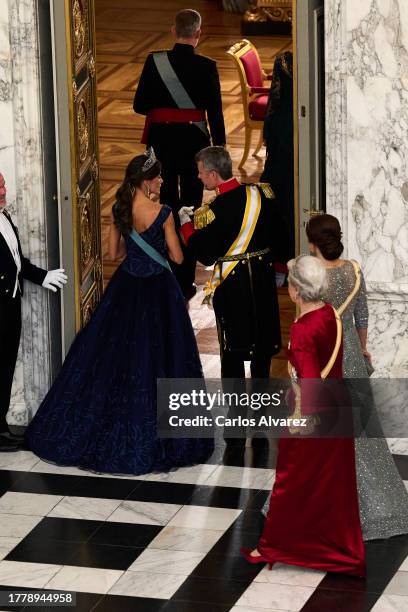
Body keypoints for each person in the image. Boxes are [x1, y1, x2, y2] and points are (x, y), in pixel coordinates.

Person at [26, 151, 213, 475]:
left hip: (126, 288)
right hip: (159, 293)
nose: (162, 181)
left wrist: (135, 244)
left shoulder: (120, 209)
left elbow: (114, 254)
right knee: (163, 360)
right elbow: (179, 259)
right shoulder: (164, 212)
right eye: (159, 176)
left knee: (115, 359)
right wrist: (182, 224)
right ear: (147, 180)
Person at [242, 255, 366, 577]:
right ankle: (335, 547)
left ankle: (273, 547)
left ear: (296, 291)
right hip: (339, 414)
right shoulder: (331, 315)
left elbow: (309, 385)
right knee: (331, 491)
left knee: (290, 484)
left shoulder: (302, 331)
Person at [305, 213, 408, 540]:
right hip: (348, 352)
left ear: (312, 242)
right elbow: (361, 315)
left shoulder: (308, 273)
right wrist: (361, 351)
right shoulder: (354, 270)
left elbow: (306, 323)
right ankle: (380, 502)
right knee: (362, 431)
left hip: (322, 353)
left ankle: (322, 506)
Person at [133, 9, 226, 299]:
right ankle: (185, 278)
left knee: (167, 206)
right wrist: (219, 151)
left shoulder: (154, 61)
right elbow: (216, 114)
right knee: (190, 209)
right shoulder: (208, 66)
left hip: (161, 145)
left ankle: (168, 271)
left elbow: (139, 105)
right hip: (195, 146)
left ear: (173, 31)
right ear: (198, 34)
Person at [179, 146, 286, 381]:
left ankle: (235, 412)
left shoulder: (216, 210)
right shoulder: (262, 194)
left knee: (232, 350)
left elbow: (205, 255)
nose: (198, 176)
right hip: (262, 279)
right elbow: (280, 235)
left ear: (213, 175)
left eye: (200, 172)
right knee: (262, 347)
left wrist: (186, 224)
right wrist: (279, 268)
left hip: (232, 287)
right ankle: (261, 408)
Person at [0, 172, 67, 452]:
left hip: (11, 304)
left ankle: (1, 427)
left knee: (4, 367)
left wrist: (43, 277)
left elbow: (18, 262)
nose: (3, 191)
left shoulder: (5, 218)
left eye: (3, 184)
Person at [261, 51, 295, 261]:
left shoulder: (283, 60)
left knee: (280, 191)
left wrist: (268, 132)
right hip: (310, 125)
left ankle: (280, 257)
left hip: (283, 129)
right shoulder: (324, 53)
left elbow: (275, 99)